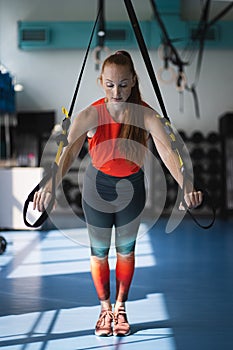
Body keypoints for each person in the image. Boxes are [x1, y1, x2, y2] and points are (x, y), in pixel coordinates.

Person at [33, 50, 203, 337]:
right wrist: (49, 184)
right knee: (99, 253)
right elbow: (68, 151)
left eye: (124, 84)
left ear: (134, 81)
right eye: (110, 84)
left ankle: (121, 309)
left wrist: (186, 183)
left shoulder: (146, 115)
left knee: (126, 252)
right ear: (101, 81)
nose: (117, 91)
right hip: (97, 188)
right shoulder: (90, 114)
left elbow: (166, 150)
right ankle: (104, 309)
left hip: (132, 188)